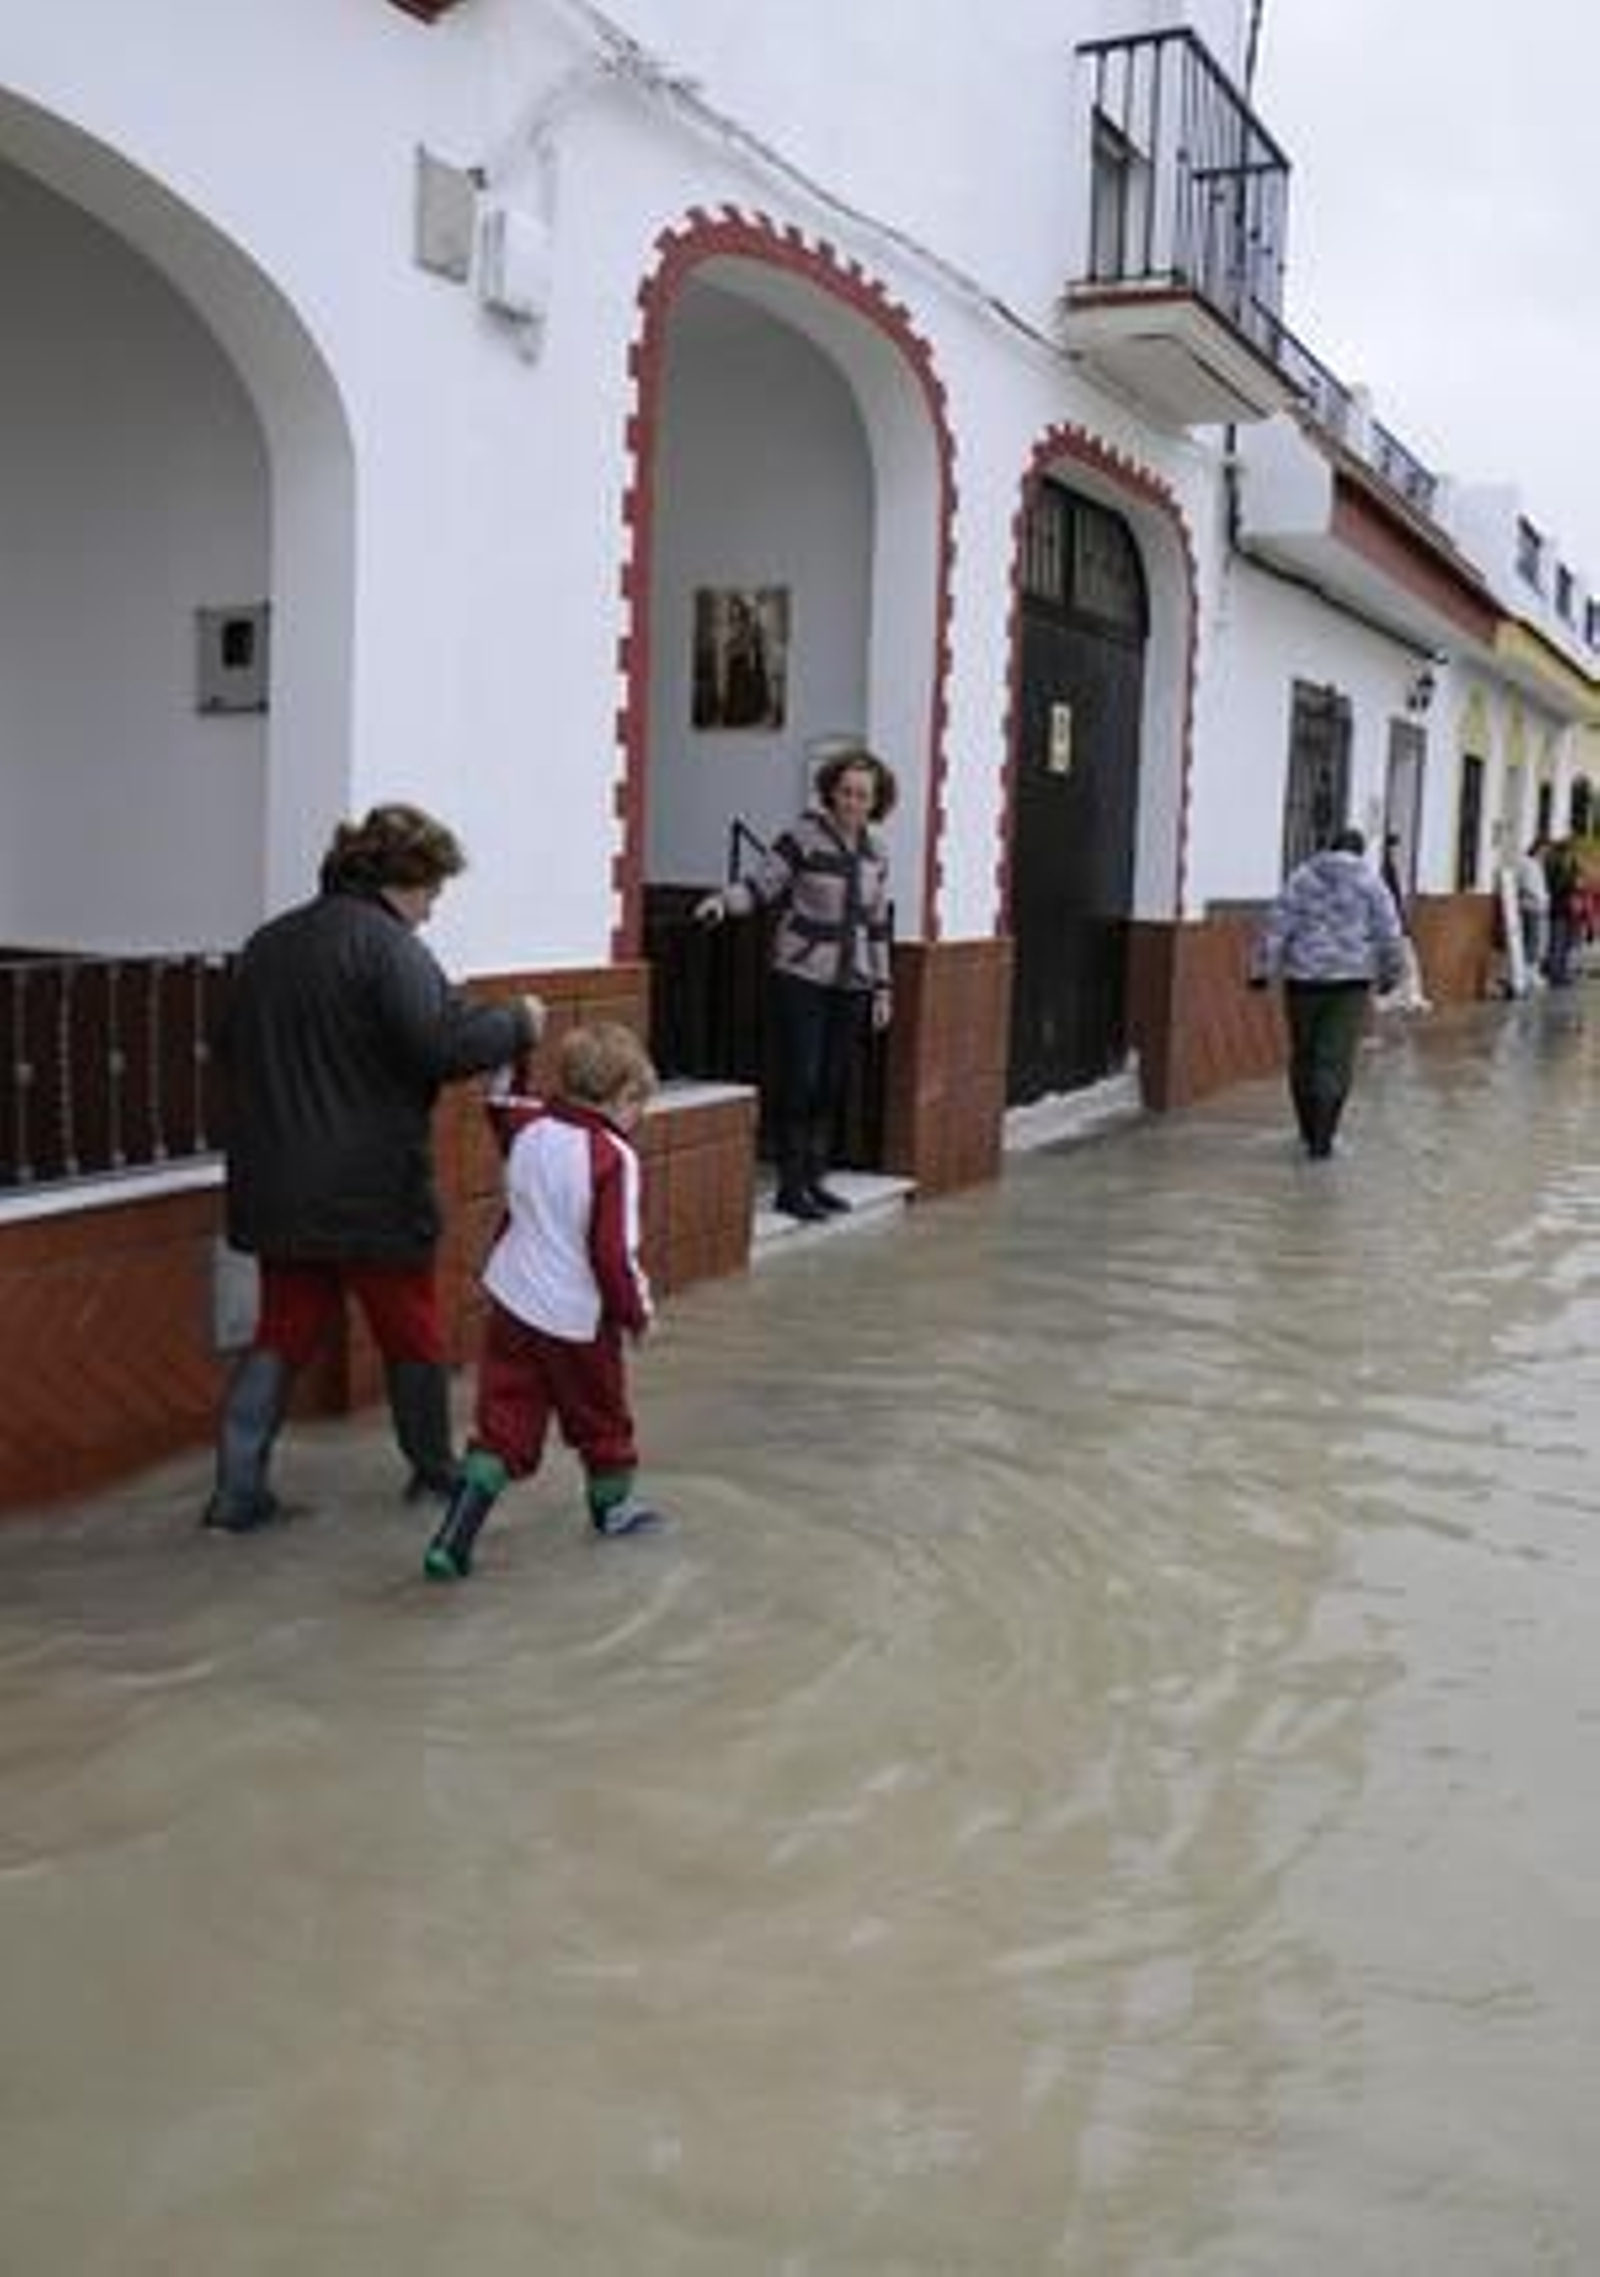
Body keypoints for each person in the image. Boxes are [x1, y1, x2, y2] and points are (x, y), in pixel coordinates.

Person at [203, 803, 544, 1533]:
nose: (428, 915)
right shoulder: (387, 947)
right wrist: (518, 1021)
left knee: (283, 1328)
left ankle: (235, 1494)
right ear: (402, 877)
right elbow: (442, 1042)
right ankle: (432, 1473)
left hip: (275, 1182)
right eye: (430, 894)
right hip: (370, 1189)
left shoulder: (267, 943)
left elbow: (228, 1046)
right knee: (411, 1330)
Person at [423, 1021, 661, 1582]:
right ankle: (613, 1513)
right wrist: (637, 1314)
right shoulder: (613, 1158)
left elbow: (499, 1101)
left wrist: (516, 1039)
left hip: (511, 1304)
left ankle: (452, 1540)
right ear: (621, 1096)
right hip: (576, 1321)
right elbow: (612, 1256)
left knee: (503, 1424)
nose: (638, 1120)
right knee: (602, 1420)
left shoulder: (529, 1128)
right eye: (638, 1106)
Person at [694, 747, 895, 1221]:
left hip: (853, 981)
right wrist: (723, 903)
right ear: (831, 792)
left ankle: (814, 1178)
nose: (852, 801)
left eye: (863, 795)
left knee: (830, 1083)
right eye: (845, 792)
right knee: (800, 1079)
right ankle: (789, 1185)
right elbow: (761, 886)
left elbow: (877, 924)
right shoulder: (801, 837)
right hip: (801, 976)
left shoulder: (876, 852)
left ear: (875, 801)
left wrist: (884, 987)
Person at [1249, 826, 1404, 1160]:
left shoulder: (1302, 878)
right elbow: (1389, 933)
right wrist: (1391, 975)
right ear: (1360, 851)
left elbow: (1277, 924)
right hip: (1349, 983)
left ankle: (1305, 1130)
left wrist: (1262, 970)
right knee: (1333, 1058)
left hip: (1302, 980)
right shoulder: (1371, 883)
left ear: (1329, 847)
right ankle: (1324, 1141)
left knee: (1304, 1054)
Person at [1516, 837, 1551, 983]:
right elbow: (1527, 885)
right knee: (1531, 940)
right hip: (1530, 907)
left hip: (1538, 907)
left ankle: (1532, 971)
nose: (1546, 853)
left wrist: (1545, 897)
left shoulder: (1537, 864)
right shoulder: (1527, 864)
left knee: (1537, 941)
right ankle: (1527, 972)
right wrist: (1540, 896)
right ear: (1537, 848)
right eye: (1544, 850)